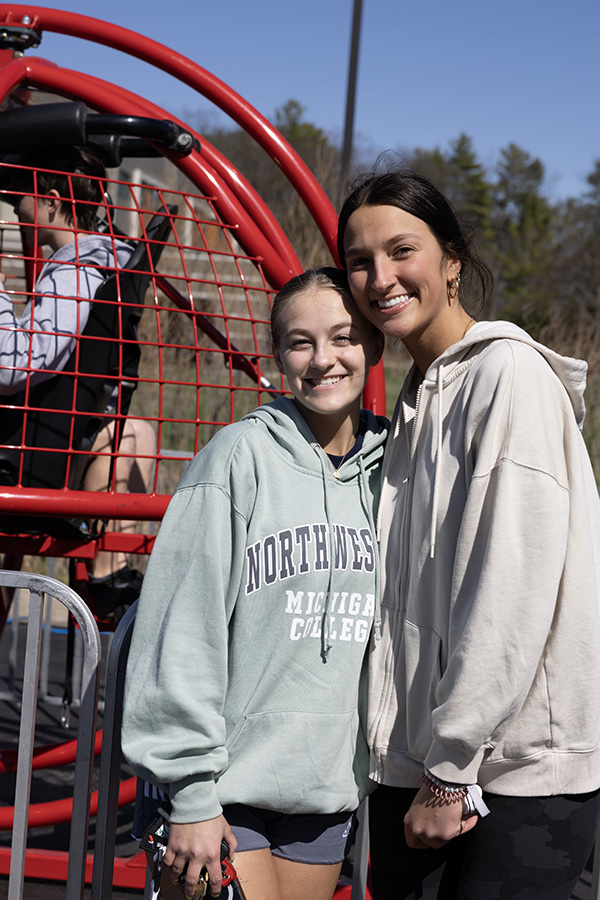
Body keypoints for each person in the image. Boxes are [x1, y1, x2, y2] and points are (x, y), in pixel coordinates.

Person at [336, 170, 600, 900]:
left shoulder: (506, 376)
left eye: (401, 250)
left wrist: (451, 771)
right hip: (426, 767)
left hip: (509, 780)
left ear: (452, 260)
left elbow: (510, 593)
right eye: (360, 261)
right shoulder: (418, 403)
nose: (380, 277)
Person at [121, 267, 388, 900]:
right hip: (221, 791)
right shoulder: (237, 458)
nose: (323, 360)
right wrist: (188, 792)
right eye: (301, 342)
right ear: (278, 356)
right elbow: (181, 629)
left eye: (344, 337)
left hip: (323, 788)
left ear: (374, 347)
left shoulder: (395, 472)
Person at [0, 146, 156, 616]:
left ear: (50, 200)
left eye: (21, 200)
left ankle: (108, 572)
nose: (16, 210)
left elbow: (13, 364)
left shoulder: (74, 270)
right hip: (62, 435)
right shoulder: (111, 262)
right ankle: (111, 568)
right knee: (137, 431)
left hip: (32, 451)